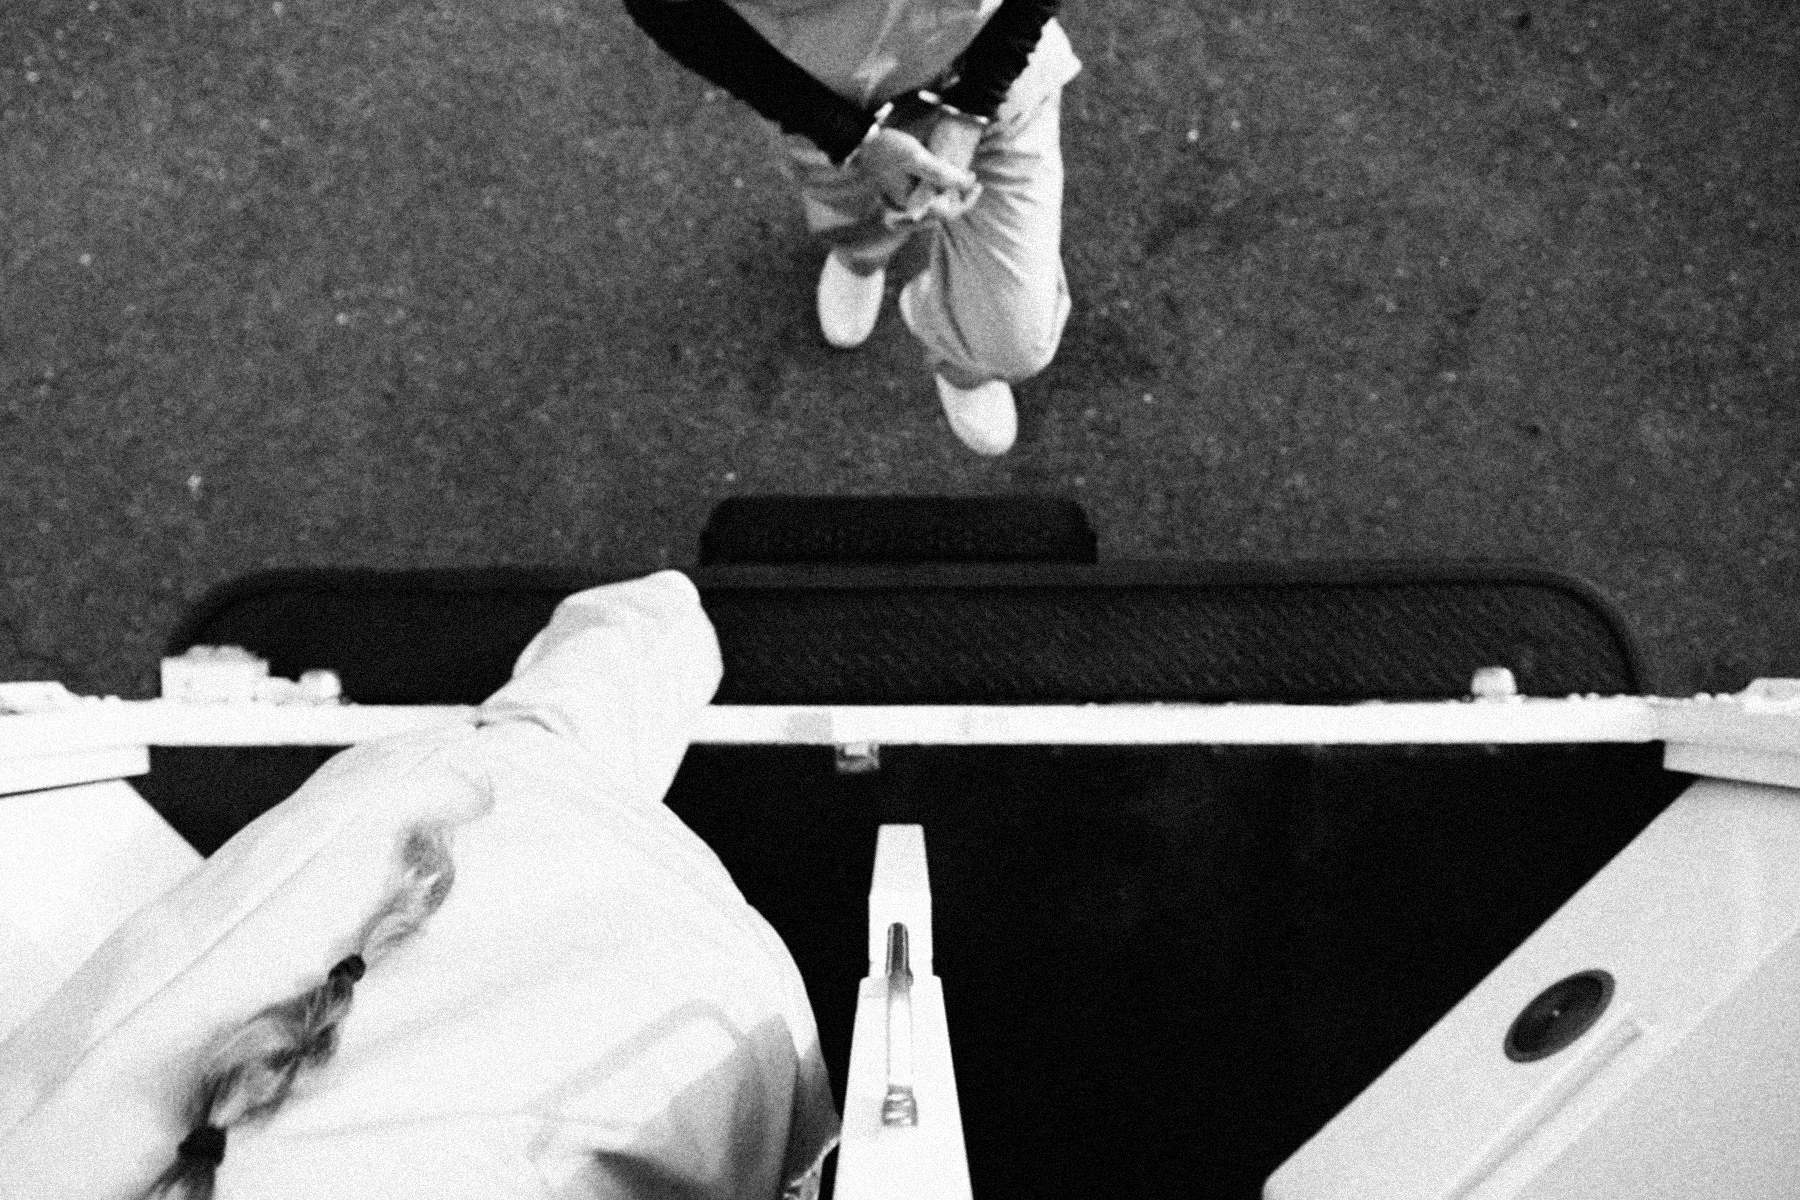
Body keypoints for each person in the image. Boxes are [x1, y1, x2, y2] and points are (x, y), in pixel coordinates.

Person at [0, 572, 838, 1200]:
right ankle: (666, 613)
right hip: (480, 835)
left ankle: (660, 620)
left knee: (565, 722)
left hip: (705, 1018)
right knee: (578, 702)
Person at [623, 0, 1081, 456]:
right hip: (829, 95)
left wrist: (971, 110)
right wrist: (852, 137)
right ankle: (862, 257)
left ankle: (961, 354)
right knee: (853, 215)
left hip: (998, 62)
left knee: (1013, 343)